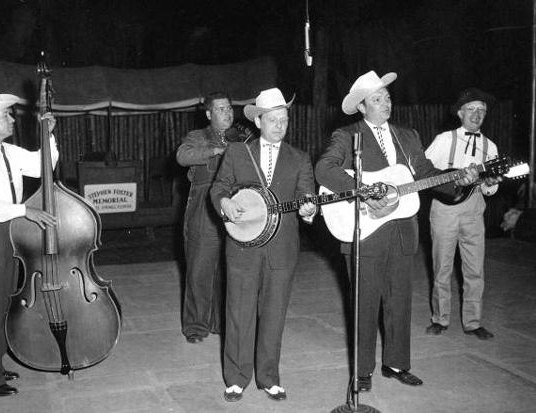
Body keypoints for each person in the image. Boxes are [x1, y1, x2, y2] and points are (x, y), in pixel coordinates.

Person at [315, 71, 477, 392]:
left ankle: (397, 363)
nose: (386, 103)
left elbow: (426, 173)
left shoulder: (408, 135)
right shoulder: (347, 135)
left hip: (403, 229)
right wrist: (364, 189)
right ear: (361, 106)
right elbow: (324, 169)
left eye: (387, 97)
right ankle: (361, 372)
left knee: (400, 300)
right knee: (364, 302)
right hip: (364, 230)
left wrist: (457, 177)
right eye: (377, 99)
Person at [210, 87, 316, 402]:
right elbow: (218, 188)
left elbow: (306, 192)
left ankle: (268, 377)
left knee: (274, 313)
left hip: (282, 248)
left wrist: (309, 208)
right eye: (273, 120)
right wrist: (225, 203)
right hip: (243, 245)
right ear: (259, 121)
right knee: (238, 311)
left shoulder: (300, 158)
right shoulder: (237, 152)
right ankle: (236, 378)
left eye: (284, 120)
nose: (279, 126)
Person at [0, 89, 58, 397]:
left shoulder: (7, 152)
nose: (10, 119)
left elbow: (41, 166)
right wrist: (26, 210)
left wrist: (47, 135)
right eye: (4, 116)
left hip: (9, 232)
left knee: (4, 302)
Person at [425, 88, 500, 340]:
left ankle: (473, 322)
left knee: (475, 269)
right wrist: (453, 178)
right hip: (445, 210)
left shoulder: (491, 147)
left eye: (481, 110)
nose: (476, 114)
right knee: (442, 268)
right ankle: (440, 318)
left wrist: (491, 181)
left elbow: (491, 188)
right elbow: (424, 173)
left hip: (474, 211)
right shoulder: (444, 140)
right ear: (460, 113)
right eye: (471, 109)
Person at [176, 91, 244, 344]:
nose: (227, 113)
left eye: (229, 108)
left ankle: (219, 323)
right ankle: (195, 326)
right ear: (208, 114)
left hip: (234, 204)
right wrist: (216, 150)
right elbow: (183, 156)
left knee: (228, 267)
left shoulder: (241, 137)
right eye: (221, 109)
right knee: (199, 268)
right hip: (204, 206)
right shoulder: (197, 137)